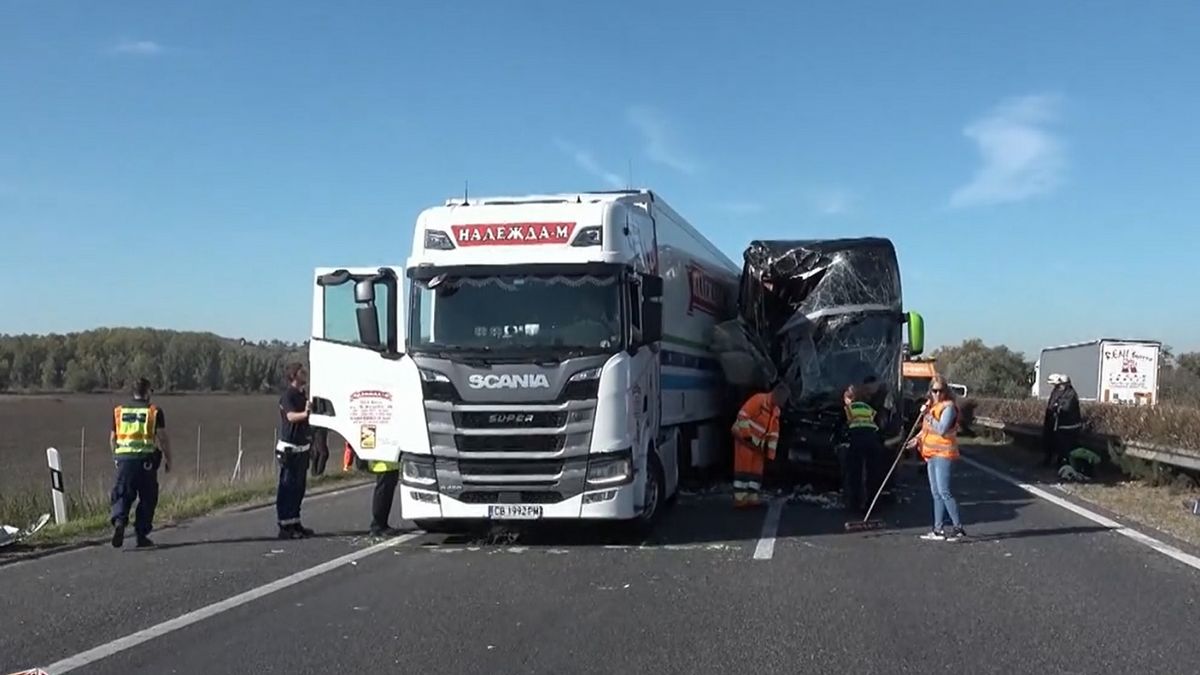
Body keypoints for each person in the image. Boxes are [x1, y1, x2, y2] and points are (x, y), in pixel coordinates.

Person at [109, 377, 172, 548]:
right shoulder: (154, 411)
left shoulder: (119, 412)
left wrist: (116, 457)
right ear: (147, 392)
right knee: (147, 498)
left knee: (122, 494)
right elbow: (163, 439)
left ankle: (120, 522)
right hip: (145, 462)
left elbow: (113, 439)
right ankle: (141, 535)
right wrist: (168, 459)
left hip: (124, 461)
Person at [906, 375, 966, 541]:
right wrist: (917, 438)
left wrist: (928, 415)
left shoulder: (948, 408)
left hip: (944, 454)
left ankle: (958, 527)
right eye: (934, 391)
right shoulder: (933, 406)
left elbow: (941, 429)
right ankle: (938, 529)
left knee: (944, 491)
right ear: (930, 391)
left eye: (941, 391)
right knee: (936, 493)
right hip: (930, 454)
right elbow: (927, 429)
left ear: (946, 391)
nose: (938, 394)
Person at [731, 382, 788, 508]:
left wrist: (770, 453)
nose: (782, 403)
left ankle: (752, 496)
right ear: (776, 395)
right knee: (743, 468)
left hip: (757, 444)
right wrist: (747, 436)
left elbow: (774, 433)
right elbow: (743, 415)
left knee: (756, 471)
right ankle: (740, 497)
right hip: (745, 439)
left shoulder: (776, 410)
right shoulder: (759, 400)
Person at [276, 362, 315, 539]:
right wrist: (306, 414)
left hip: (302, 447)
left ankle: (295, 521)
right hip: (289, 448)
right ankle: (284, 525)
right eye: (301, 372)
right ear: (293, 375)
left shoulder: (302, 394)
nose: (304, 374)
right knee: (287, 487)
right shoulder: (288, 396)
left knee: (299, 488)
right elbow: (291, 416)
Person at [840, 384, 885, 513]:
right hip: (873, 442)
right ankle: (873, 504)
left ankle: (855, 503)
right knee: (872, 474)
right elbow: (877, 424)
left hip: (858, 441)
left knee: (855, 473)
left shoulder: (849, 409)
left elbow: (845, 426)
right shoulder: (869, 408)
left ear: (849, 398)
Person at [1043, 373, 1082, 468]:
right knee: (1056, 443)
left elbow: (1066, 407)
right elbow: (1053, 405)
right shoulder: (1059, 391)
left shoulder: (1071, 394)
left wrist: (1057, 407)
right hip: (1060, 423)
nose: (1061, 386)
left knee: (1066, 446)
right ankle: (1055, 461)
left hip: (1070, 425)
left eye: (1063, 384)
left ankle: (1064, 464)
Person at [367, 445, 402, 537]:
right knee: (383, 493)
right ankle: (378, 526)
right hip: (384, 463)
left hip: (390, 462)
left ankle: (382, 525)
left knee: (386, 493)